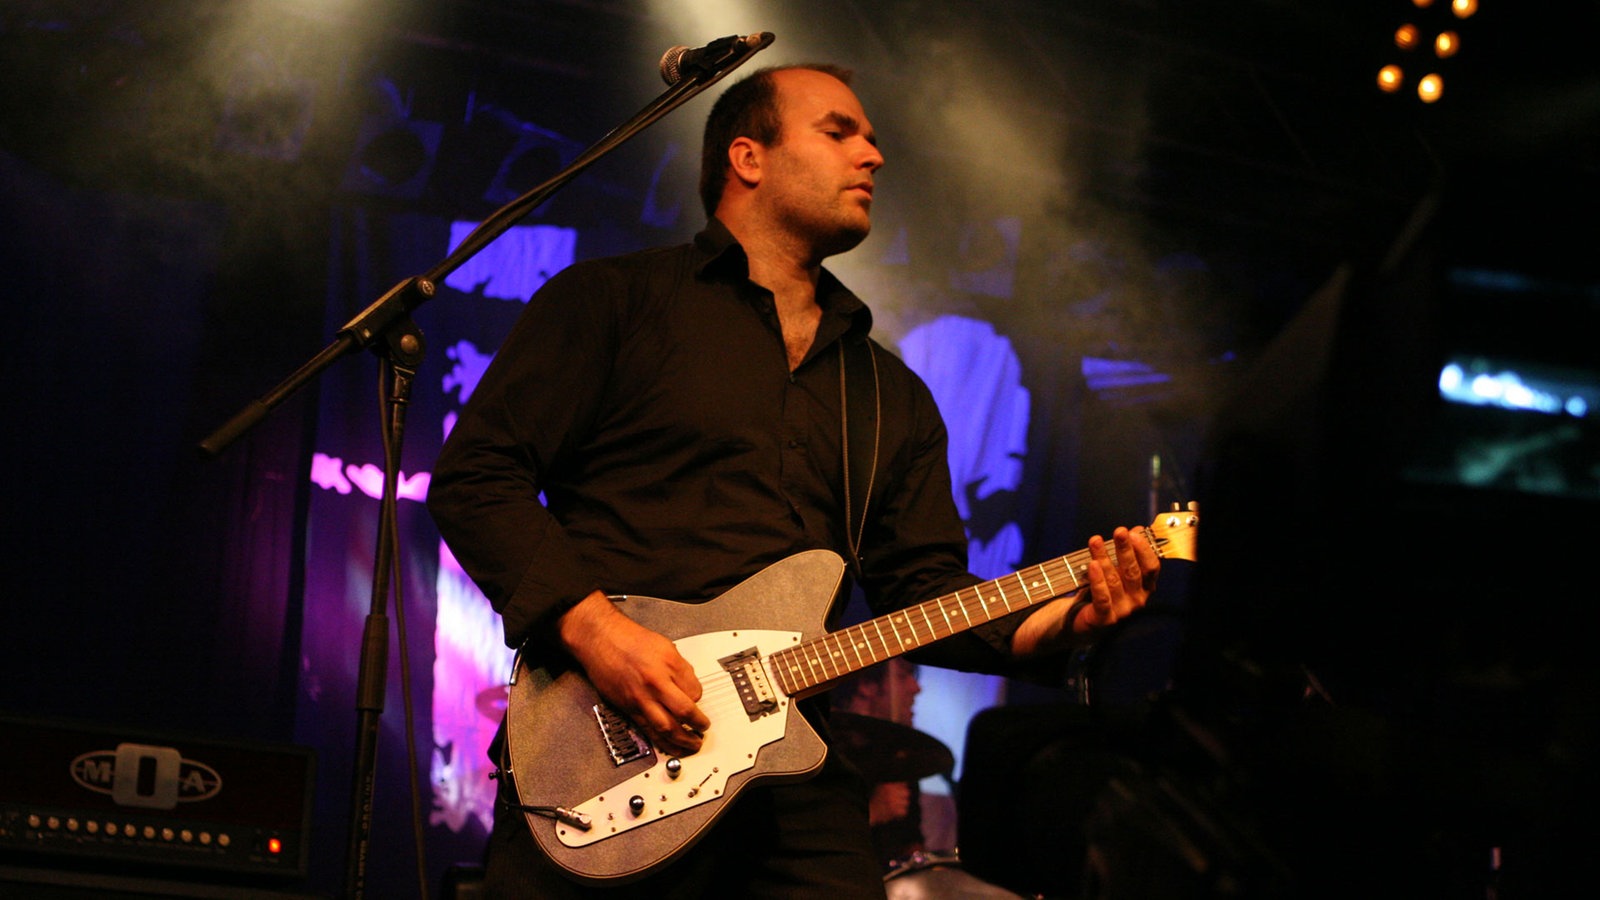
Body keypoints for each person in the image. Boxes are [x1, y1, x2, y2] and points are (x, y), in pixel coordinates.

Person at [426, 62, 1160, 899]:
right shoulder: (614, 303)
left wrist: (1062, 622)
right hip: (598, 752)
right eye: (841, 132)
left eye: (875, 139)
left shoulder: (891, 396)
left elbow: (924, 589)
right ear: (748, 157)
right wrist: (597, 632)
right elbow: (477, 477)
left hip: (788, 770)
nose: (873, 157)